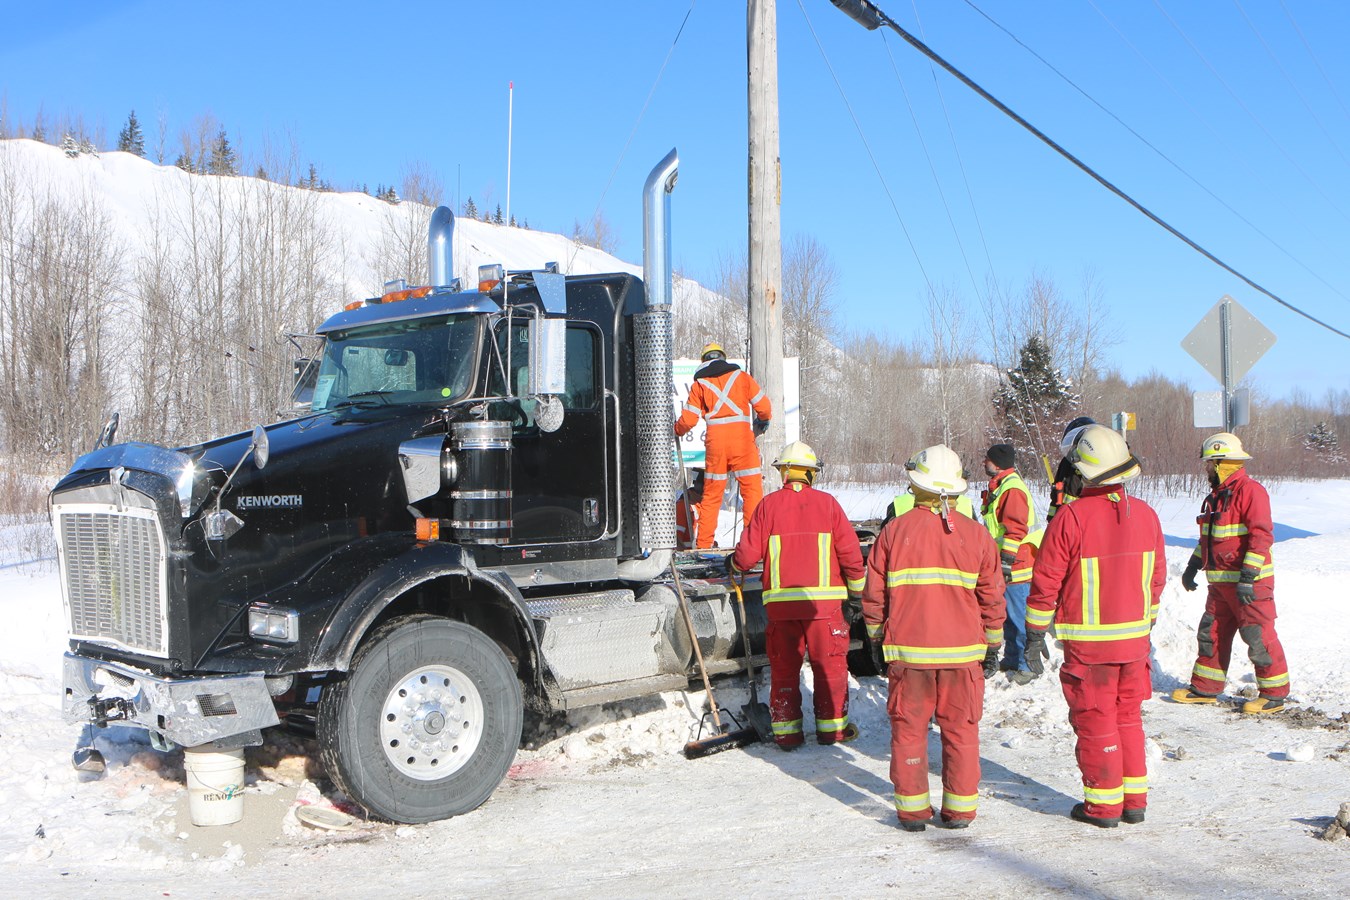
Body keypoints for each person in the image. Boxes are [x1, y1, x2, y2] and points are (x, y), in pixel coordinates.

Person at [1025, 425, 1162, 828]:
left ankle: (1103, 807)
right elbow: (1156, 581)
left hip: (1091, 646)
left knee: (1096, 719)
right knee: (1128, 717)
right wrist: (1144, 625)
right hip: (1135, 642)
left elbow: (1046, 580)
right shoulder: (1149, 516)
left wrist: (1034, 633)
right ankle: (1133, 802)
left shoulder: (1071, 517)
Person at [863, 445, 1005, 832]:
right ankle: (959, 812)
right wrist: (993, 645)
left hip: (909, 657)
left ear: (916, 486)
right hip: (963, 659)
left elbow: (874, 596)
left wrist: (876, 639)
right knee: (961, 733)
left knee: (908, 733)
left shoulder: (894, 531)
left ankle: (912, 812)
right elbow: (992, 597)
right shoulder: (977, 536)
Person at [731, 441, 865, 750]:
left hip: (782, 609)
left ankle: (787, 735)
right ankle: (832, 732)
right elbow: (851, 558)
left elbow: (747, 556)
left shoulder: (768, 505)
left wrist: (734, 563)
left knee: (784, 671)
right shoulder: (829, 504)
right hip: (825, 608)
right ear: (810, 474)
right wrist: (856, 598)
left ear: (784, 473)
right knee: (829, 669)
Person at [1170, 432, 1290, 715]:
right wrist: (1192, 566)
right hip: (1220, 585)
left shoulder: (1251, 492)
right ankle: (1205, 688)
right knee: (1211, 633)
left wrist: (1248, 577)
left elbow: (1261, 536)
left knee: (1257, 635)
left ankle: (1274, 694)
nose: (1206, 469)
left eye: (1209, 464)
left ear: (1222, 463)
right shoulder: (1216, 497)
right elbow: (1210, 539)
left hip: (1250, 586)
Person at [675, 342, 772, 549]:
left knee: (711, 496)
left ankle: (704, 546)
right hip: (743, 444)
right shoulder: (741, 377)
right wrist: (763, 420)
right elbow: (764, 406)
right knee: (752, 493)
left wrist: (676, 430)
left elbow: (689, 420)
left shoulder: (699, 384)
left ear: (704, 360)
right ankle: (752, 546)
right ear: (723, 357)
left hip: (716, 446)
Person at [980, 443, 1040, 683]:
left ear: (997, 463)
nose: (984, 462)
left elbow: (1015, 531)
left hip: (1018, 564)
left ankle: (1027, 665)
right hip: (1006, 562)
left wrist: (1006, 563)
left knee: (1018, 615)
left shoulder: (1012, 489)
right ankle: (1012, 657)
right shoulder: (1001, 485)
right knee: (1007, 615)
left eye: (987, 459)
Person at [1048, 416, 1096, 521]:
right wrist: (1052, 519)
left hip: (1083, 523)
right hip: (1064, 520)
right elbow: (1058, 490)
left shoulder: (1094, 465)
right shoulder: (1067, 461)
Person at [675, 468, 704, 549]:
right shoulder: (683, 506)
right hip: (690, 556)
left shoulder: (705, 507)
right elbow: (676, 540)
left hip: (703, 554)